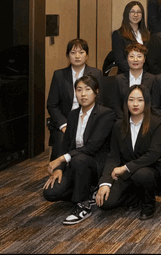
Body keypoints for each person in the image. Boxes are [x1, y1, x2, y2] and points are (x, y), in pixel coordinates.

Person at [43, 75, 115, 225]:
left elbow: (91, 147)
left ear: (96, 91)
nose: (83, 94)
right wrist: (60, 168)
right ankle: (88, 193)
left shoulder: (105, 114)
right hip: (76, 164)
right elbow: (66, 145)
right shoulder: (73, 114)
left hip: (96, 166)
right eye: (79, 90)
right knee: (50, 193)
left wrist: (61, 159)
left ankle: (83, 205)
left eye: (87, 89)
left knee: (79, 159)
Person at [95, 85, 161, 220]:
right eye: (131, 99)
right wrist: (105, 183)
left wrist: (125, 168)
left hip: (149, 170)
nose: (135, 104)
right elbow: (113, 156)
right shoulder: (118, 125)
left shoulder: (157, 123)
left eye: (140, 100)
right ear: (126, 102)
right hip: (126, 174)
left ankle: (148, 204)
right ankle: (134, 196)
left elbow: (153, 154)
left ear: (146, 102)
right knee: (105, 202)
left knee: (142, 174)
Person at [47, 39, 103, 160]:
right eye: (73, 52)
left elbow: (100, 101)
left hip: (89, 120)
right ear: (68, 56)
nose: (77, 56)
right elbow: (52, 104)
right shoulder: (59, 75)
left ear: (87, 55)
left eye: (81, 52)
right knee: (61, 144)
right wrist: (63, 125)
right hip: (65, 122)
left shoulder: (96, 73)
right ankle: (59, 169)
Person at [111, 43, 155, 120]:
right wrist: (124, 121)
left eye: (139, 56)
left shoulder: (152, 79)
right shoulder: (118, 79)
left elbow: (154, 105)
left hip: (147, 121)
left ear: (144, 59)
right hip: (123, 121)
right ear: (127, 59)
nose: (135, 59)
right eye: (131, 56)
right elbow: (115, 105)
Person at [112, 1, 150, 74]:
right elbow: (120, 60)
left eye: (138, 12)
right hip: (126, 75)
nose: (135, 15)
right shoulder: (118, 34)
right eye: (132, 12)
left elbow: (150, 59)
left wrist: (143, 74)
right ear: (126, 14)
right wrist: (135, 73)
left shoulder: (148, 34)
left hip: (145, 75)